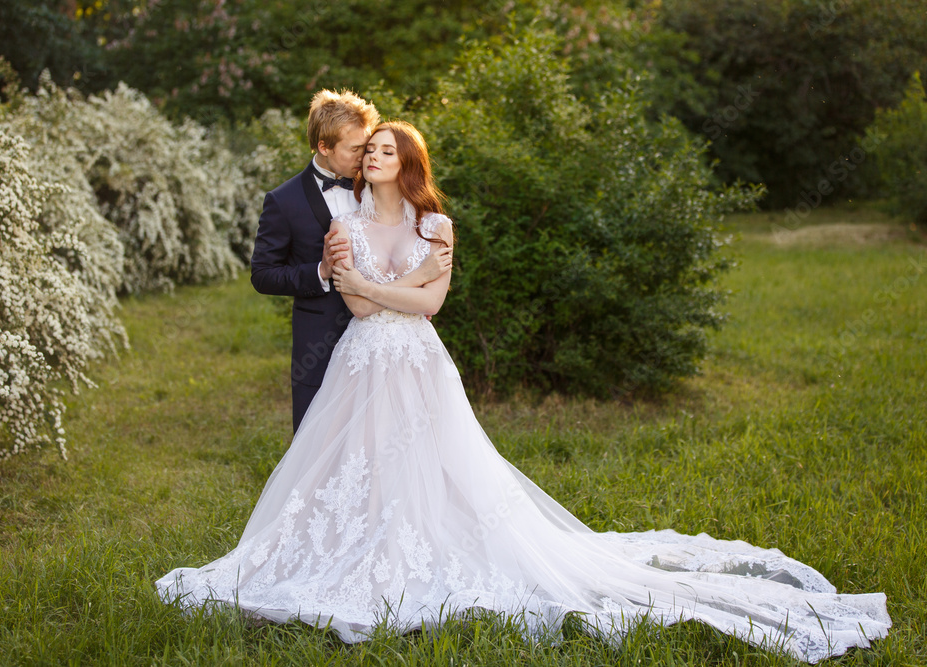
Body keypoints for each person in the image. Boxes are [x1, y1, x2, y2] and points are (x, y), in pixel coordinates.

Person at [158, 121, 890, 662]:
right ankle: (357, 550)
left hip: (419, 362)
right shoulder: (343, 222)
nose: (370, 157)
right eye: (367, 150)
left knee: (441, 464)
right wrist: (395, 287)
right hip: (364, 361)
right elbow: (353, 305)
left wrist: (386, 288)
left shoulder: (436, 222)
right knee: (359, 462)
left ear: (406, 162)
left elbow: (432, 306)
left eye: (383, 149)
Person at [250, 90, 450, 432]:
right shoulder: (284, 202)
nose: (365, 156)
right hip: (321, 339)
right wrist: (320, 271)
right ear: (324, 147)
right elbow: (263, 274)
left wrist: (410, 281)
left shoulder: (378, 175)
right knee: (321, 442)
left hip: (396, 339)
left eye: (368, 145)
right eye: (356, 149)